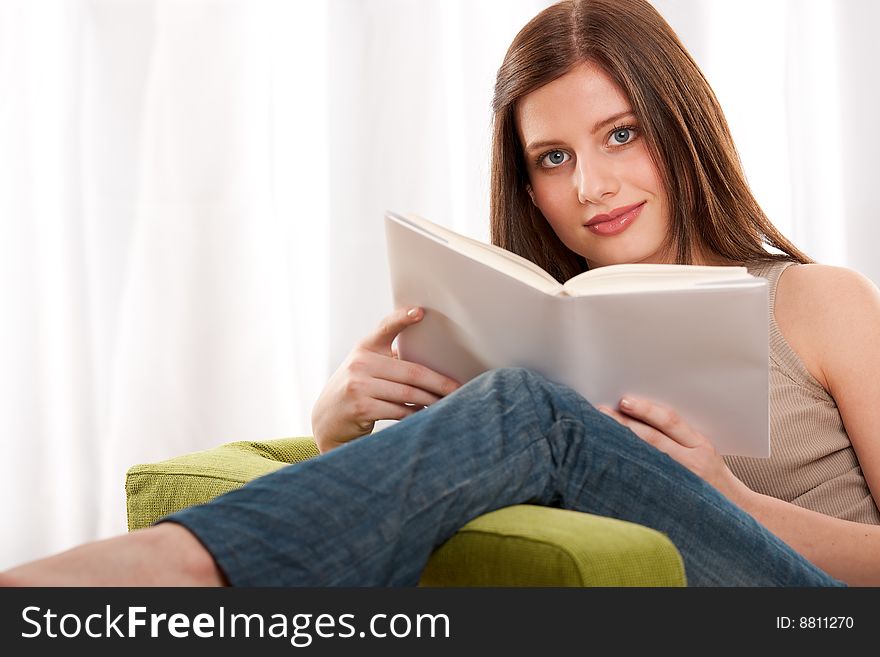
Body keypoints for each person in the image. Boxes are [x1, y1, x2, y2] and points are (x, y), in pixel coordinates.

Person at [2, 0, 878, 587]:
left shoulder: (818, 301)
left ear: (683, 126)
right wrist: (341, 422)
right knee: (526, 407)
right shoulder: (538, 327)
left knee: (537, 409)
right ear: (526, 181)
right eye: (554, 157)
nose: (593, 187)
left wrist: (734, 498)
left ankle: (177, 565)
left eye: (622, 134)